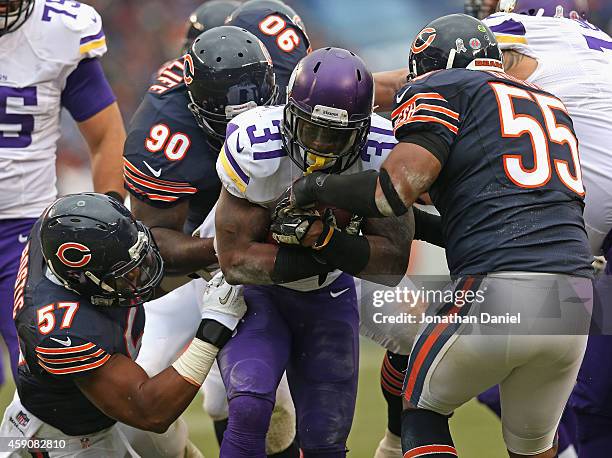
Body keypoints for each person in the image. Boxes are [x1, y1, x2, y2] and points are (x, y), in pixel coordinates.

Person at [289, 14, 593, 458]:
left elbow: (392, 191)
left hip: (499, 284)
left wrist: (313, 188)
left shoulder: (446, 87)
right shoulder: (549, 102)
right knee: (534, 448)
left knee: (422, 409)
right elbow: (476, 208)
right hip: (574, 301)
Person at [214, 47, 413, 457]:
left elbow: (391, 262)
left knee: (326, 436)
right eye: (311, 129)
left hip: (328, 297)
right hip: (258, 296)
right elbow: (234, 261)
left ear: (360, 131)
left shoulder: (383, 148)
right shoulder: (255, 147)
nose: (321, 144)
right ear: (288, 116)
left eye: (335, 134)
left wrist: (322, 239)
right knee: (250, 407)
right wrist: (332, 248)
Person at [125, 19, 305, 456]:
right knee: (133, 407)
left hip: (286, 240)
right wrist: (226, 250)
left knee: (262, 402)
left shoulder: (288, 73)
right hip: (198, 261)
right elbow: (154, 242)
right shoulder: (166, 129)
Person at [0, 193, 245, 457]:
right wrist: (214, 326)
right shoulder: (62, 333)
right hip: (60, 441)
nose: (138, 273)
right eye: (125, 272)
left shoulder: (59, 231)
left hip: (106, 407)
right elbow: (151, 412)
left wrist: (223, 251)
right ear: (83, 279)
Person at [477, 2, 612, 456]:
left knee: (584, 394)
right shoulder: (595, 50)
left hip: (581, 243)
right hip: (589, 238)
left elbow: (437, 71)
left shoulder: (530, 38)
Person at [0, 0, 125, 388]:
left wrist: (110, 223)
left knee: (42, 373)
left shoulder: (59, 31)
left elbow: (106, 137)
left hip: (23, 233)